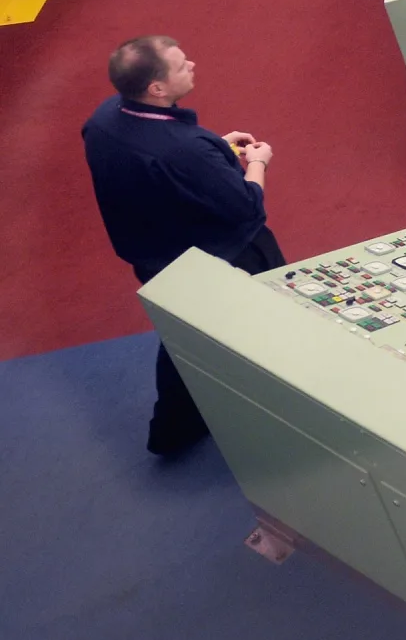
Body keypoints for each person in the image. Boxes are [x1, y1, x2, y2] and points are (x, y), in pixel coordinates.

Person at [81, 36, 284, 456]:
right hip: (223, 257)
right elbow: (247, 207)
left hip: (156, 256)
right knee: (269, 318)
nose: (191, 63)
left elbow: (159, 170)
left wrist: (214, 153)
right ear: (156, 89)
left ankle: (173, 430)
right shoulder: (184, 150)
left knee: (183, 337)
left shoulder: (103, 119)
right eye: (179, 65)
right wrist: (257, 162)